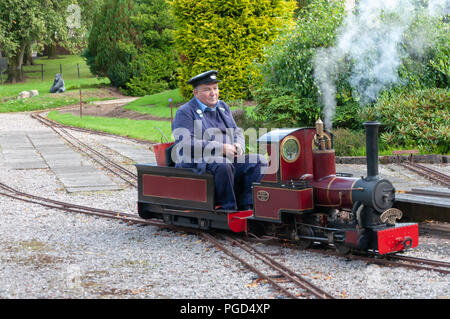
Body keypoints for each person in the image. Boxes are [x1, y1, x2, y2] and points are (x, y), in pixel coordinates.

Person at [171, 70, 266, 211]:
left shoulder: (222, 107)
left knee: (259, 160)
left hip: (227, 158)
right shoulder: (185, 112)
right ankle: (228, 208)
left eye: (215, 88)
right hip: (198, 162)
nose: (213, 93)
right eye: (207, 89)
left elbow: (237, 131)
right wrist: (220, 148)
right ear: (195, 93)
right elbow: (185, 144)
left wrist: (238, 145)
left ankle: (248, 205)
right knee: (223, 164)